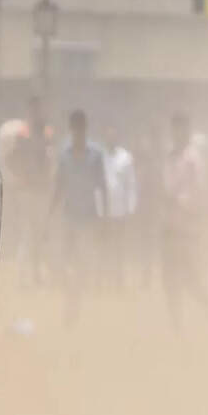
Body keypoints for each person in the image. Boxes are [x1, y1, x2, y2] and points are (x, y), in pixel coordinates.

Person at [50, 109, 107, 309]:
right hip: (69, 214)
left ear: (85, 129)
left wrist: (104, 216)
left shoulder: (96, 155)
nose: (78, 132)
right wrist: (51, 212)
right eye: (75, 129)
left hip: (89, 215)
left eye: (81, 129)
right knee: (65, 258)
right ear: (71, 129)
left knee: (84, 258)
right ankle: (72, 293)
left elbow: (102, 187)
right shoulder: (64, 154)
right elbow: (59, 185)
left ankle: (79, 294)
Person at [160, 112, 208, 329]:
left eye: (181, 129)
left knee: (191, 279)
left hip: (187, 226)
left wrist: (184, 204)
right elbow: (165, 186)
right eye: (175, 128)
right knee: (169, 279)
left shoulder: (193, 157)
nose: (178, 133)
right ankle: (177, 326)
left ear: (187, 131)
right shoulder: (169, 156)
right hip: (170, 225)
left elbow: (200, 190)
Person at [102, 126, 137, 287]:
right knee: (105, 246)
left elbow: (131, 184)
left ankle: (119, 280)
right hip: (104, 210)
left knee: (119, 247)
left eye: (113, 136)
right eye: (108, 136)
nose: (111, 139)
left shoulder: (125, 158)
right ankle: (104, 279)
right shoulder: (100, 156)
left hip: (120, 211)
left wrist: (131, 208)